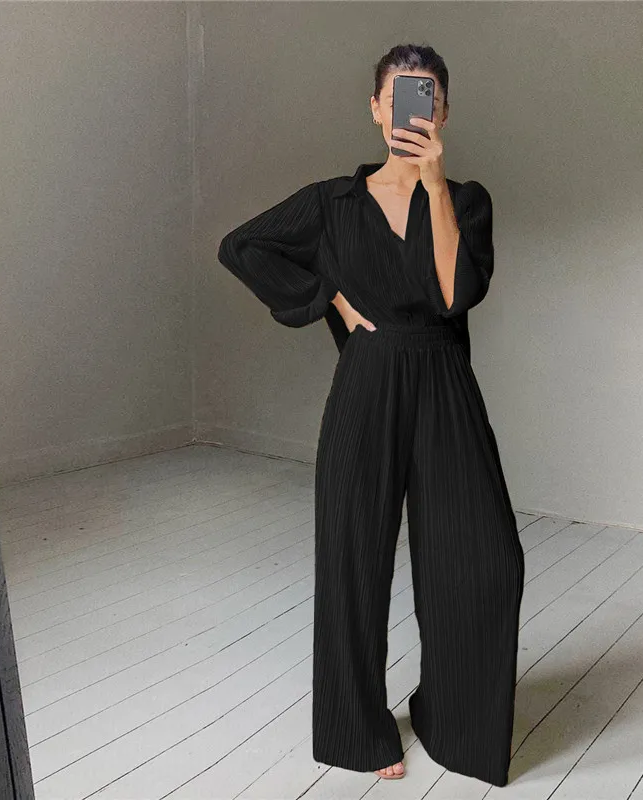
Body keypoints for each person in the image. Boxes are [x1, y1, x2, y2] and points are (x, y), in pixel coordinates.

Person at [217, 43, 525, 788]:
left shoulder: (467, 198)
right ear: (376, 109)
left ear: (442, 111)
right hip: (367, 382)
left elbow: (456, 295)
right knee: (352, 558)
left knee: (484, 561)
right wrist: (329, 297)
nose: (411, 110)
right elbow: (241, 246)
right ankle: (354, 728)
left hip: (445, 382)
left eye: (426, 97)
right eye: (398, 96)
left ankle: (454, 717)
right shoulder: (333, 203)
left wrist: (435, 184)